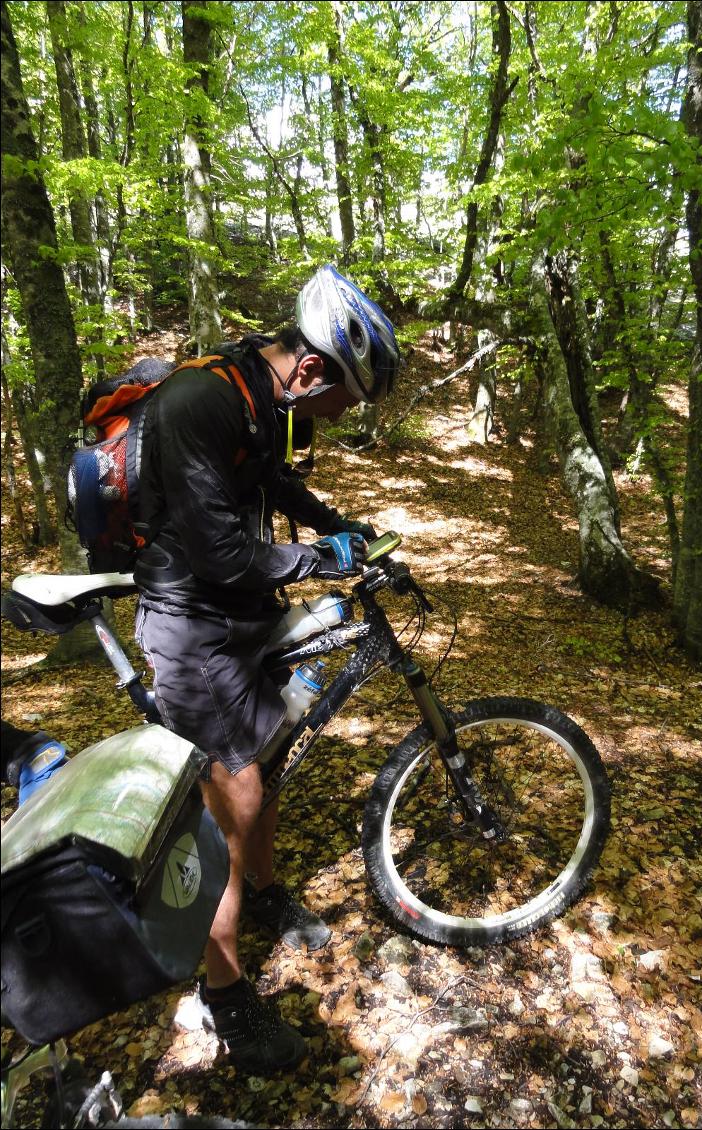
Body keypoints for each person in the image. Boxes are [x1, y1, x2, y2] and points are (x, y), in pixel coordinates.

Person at [132, 265, 400, 1074]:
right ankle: (223, 993)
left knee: (265, 769)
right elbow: (219, 550)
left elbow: (272, 479)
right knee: (230, 797)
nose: (340, 416)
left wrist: (338, 524)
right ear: (313, 369)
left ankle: (266, 889)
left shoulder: (261, 393)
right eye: (342, 401)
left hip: (241, 614)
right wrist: (320, 557)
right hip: (190, 627)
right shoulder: (195, 402)